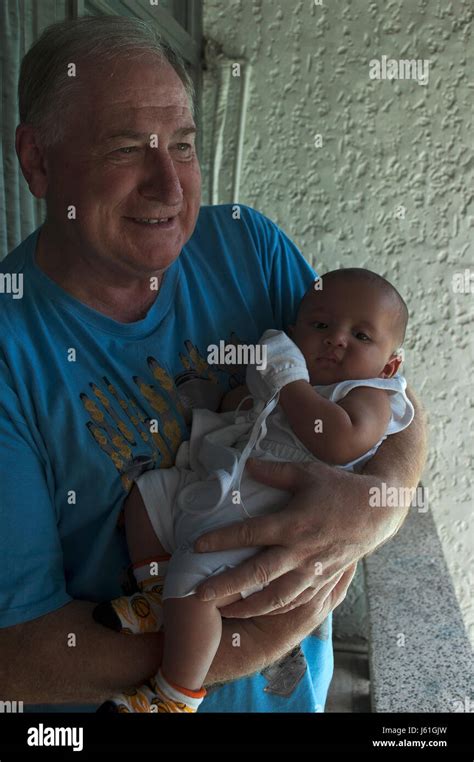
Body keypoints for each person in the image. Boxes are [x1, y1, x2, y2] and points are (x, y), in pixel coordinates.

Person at [0, 16, 427, 713]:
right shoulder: (9, 348)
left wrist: (374, 505)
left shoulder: (247, 245)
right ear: (39, 161)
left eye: (184, 146)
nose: (169, 186)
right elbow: (18, 654)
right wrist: (247, 642)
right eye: (126, 148)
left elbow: (389, 392)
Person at [95, 268, 415, 713]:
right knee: (148, 497)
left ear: (390, 365)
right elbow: (241, 408)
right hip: (227, 484)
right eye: (321, 326)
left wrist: (289, 384)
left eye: (361, 335)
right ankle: (154, 593)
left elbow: (337, 441)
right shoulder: (288, 378)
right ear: (295, 331)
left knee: (197, 586)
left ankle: (174, 694)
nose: (336, 340)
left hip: (270, 515)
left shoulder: (369, 395)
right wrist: (252, 397)